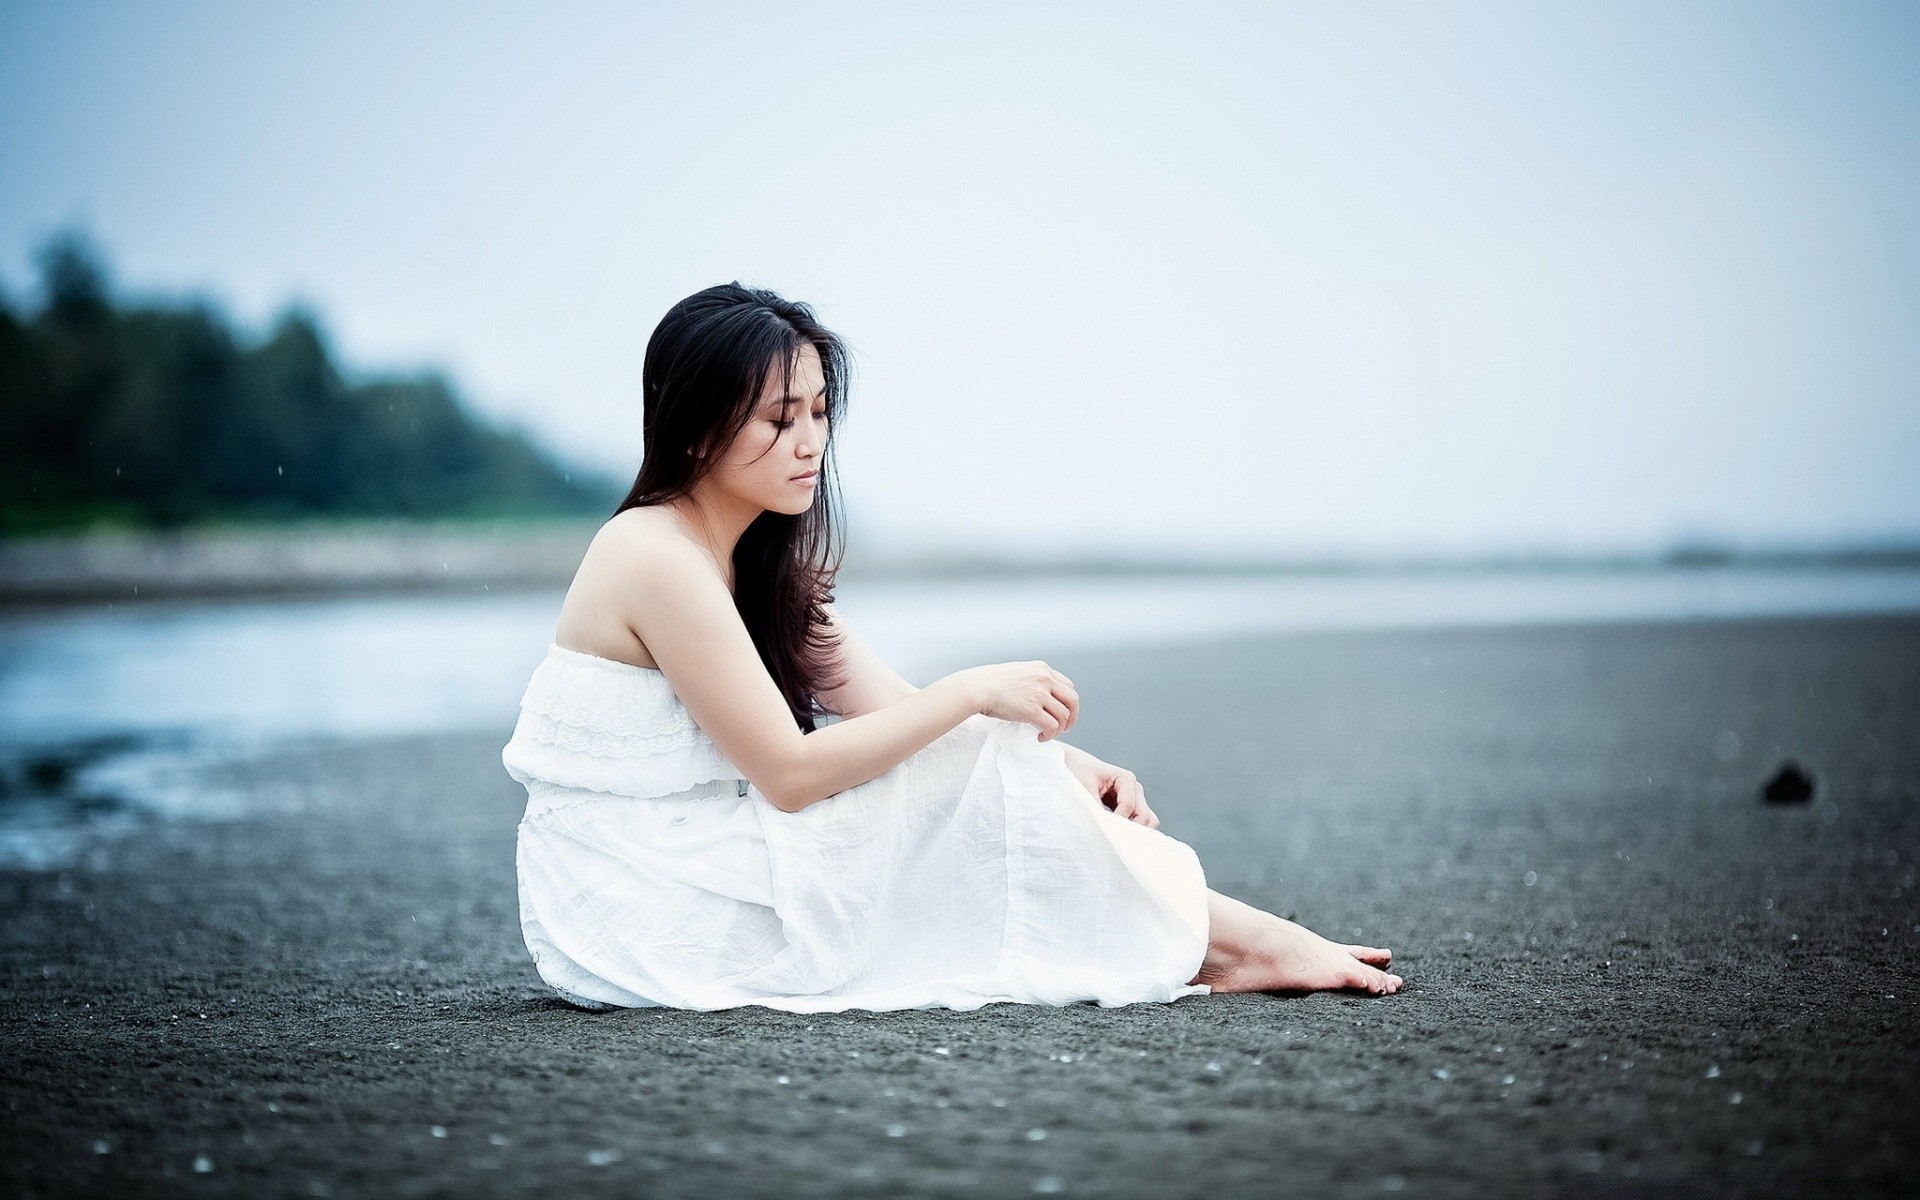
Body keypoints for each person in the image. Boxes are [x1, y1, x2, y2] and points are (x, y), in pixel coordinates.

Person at [501, 282, 1404, 1012]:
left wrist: (1065, 764)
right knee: (940, 765)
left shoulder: (757, 565)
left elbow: (895, 712)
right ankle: (1237, 944)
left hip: (697, 865)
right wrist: (975, 693)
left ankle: (1218, 940)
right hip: (636, 902)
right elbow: (789, 773)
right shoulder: (652, 553)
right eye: (780, 419)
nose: (810, 443)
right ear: (696, 425)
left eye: (820, 413)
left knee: (962, 762)